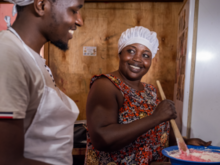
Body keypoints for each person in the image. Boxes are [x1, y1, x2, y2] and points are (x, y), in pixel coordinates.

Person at [84, 26, 211, 165]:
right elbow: (103, 139)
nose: (138, 59)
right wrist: (156, 117)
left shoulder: (150, 90)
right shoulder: (105, 85)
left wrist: (184, 143)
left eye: (146, 55)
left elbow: (157, 134)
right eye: (131, 51)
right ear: (120, 53)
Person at [0, 0, 84, 164]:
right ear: (41, 5)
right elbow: (7, 160)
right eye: (74, 10)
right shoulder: (7, 54)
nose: (79, 21)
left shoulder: (30, 57)